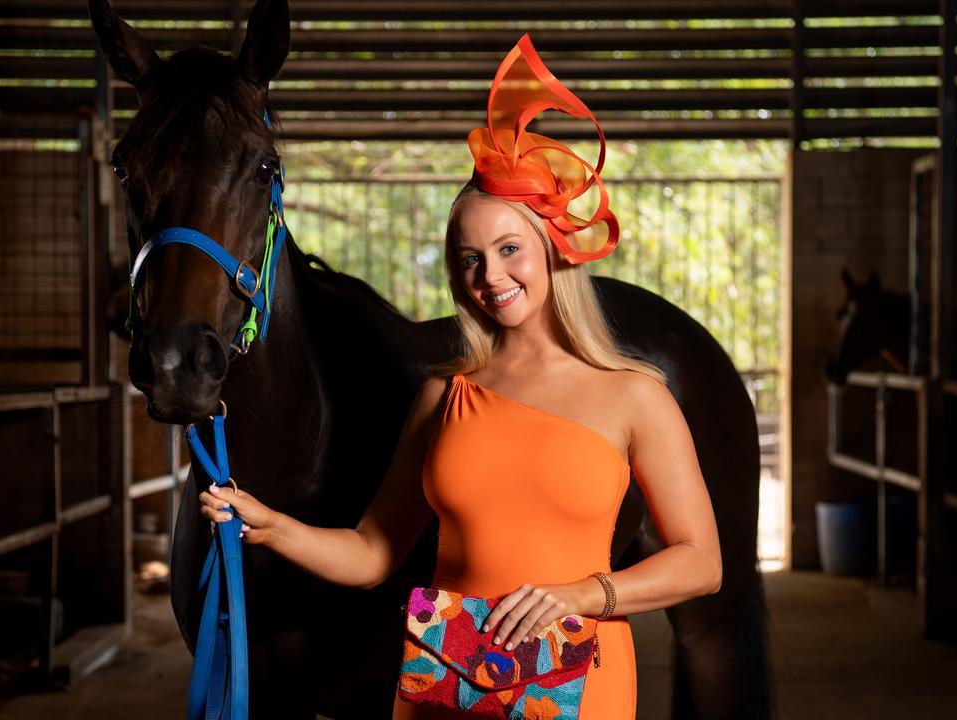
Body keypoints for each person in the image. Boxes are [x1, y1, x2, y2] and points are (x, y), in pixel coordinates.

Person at [199, 34, 722, 720]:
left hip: (576, 679)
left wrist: (583, 594)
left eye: (509, 249)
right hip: (444, 679)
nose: (491, 277)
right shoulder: (442, 398)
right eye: (470, 259)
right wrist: (270, 525)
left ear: (552, 250)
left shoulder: (634, 395)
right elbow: (371, 554)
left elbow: (701, 562)